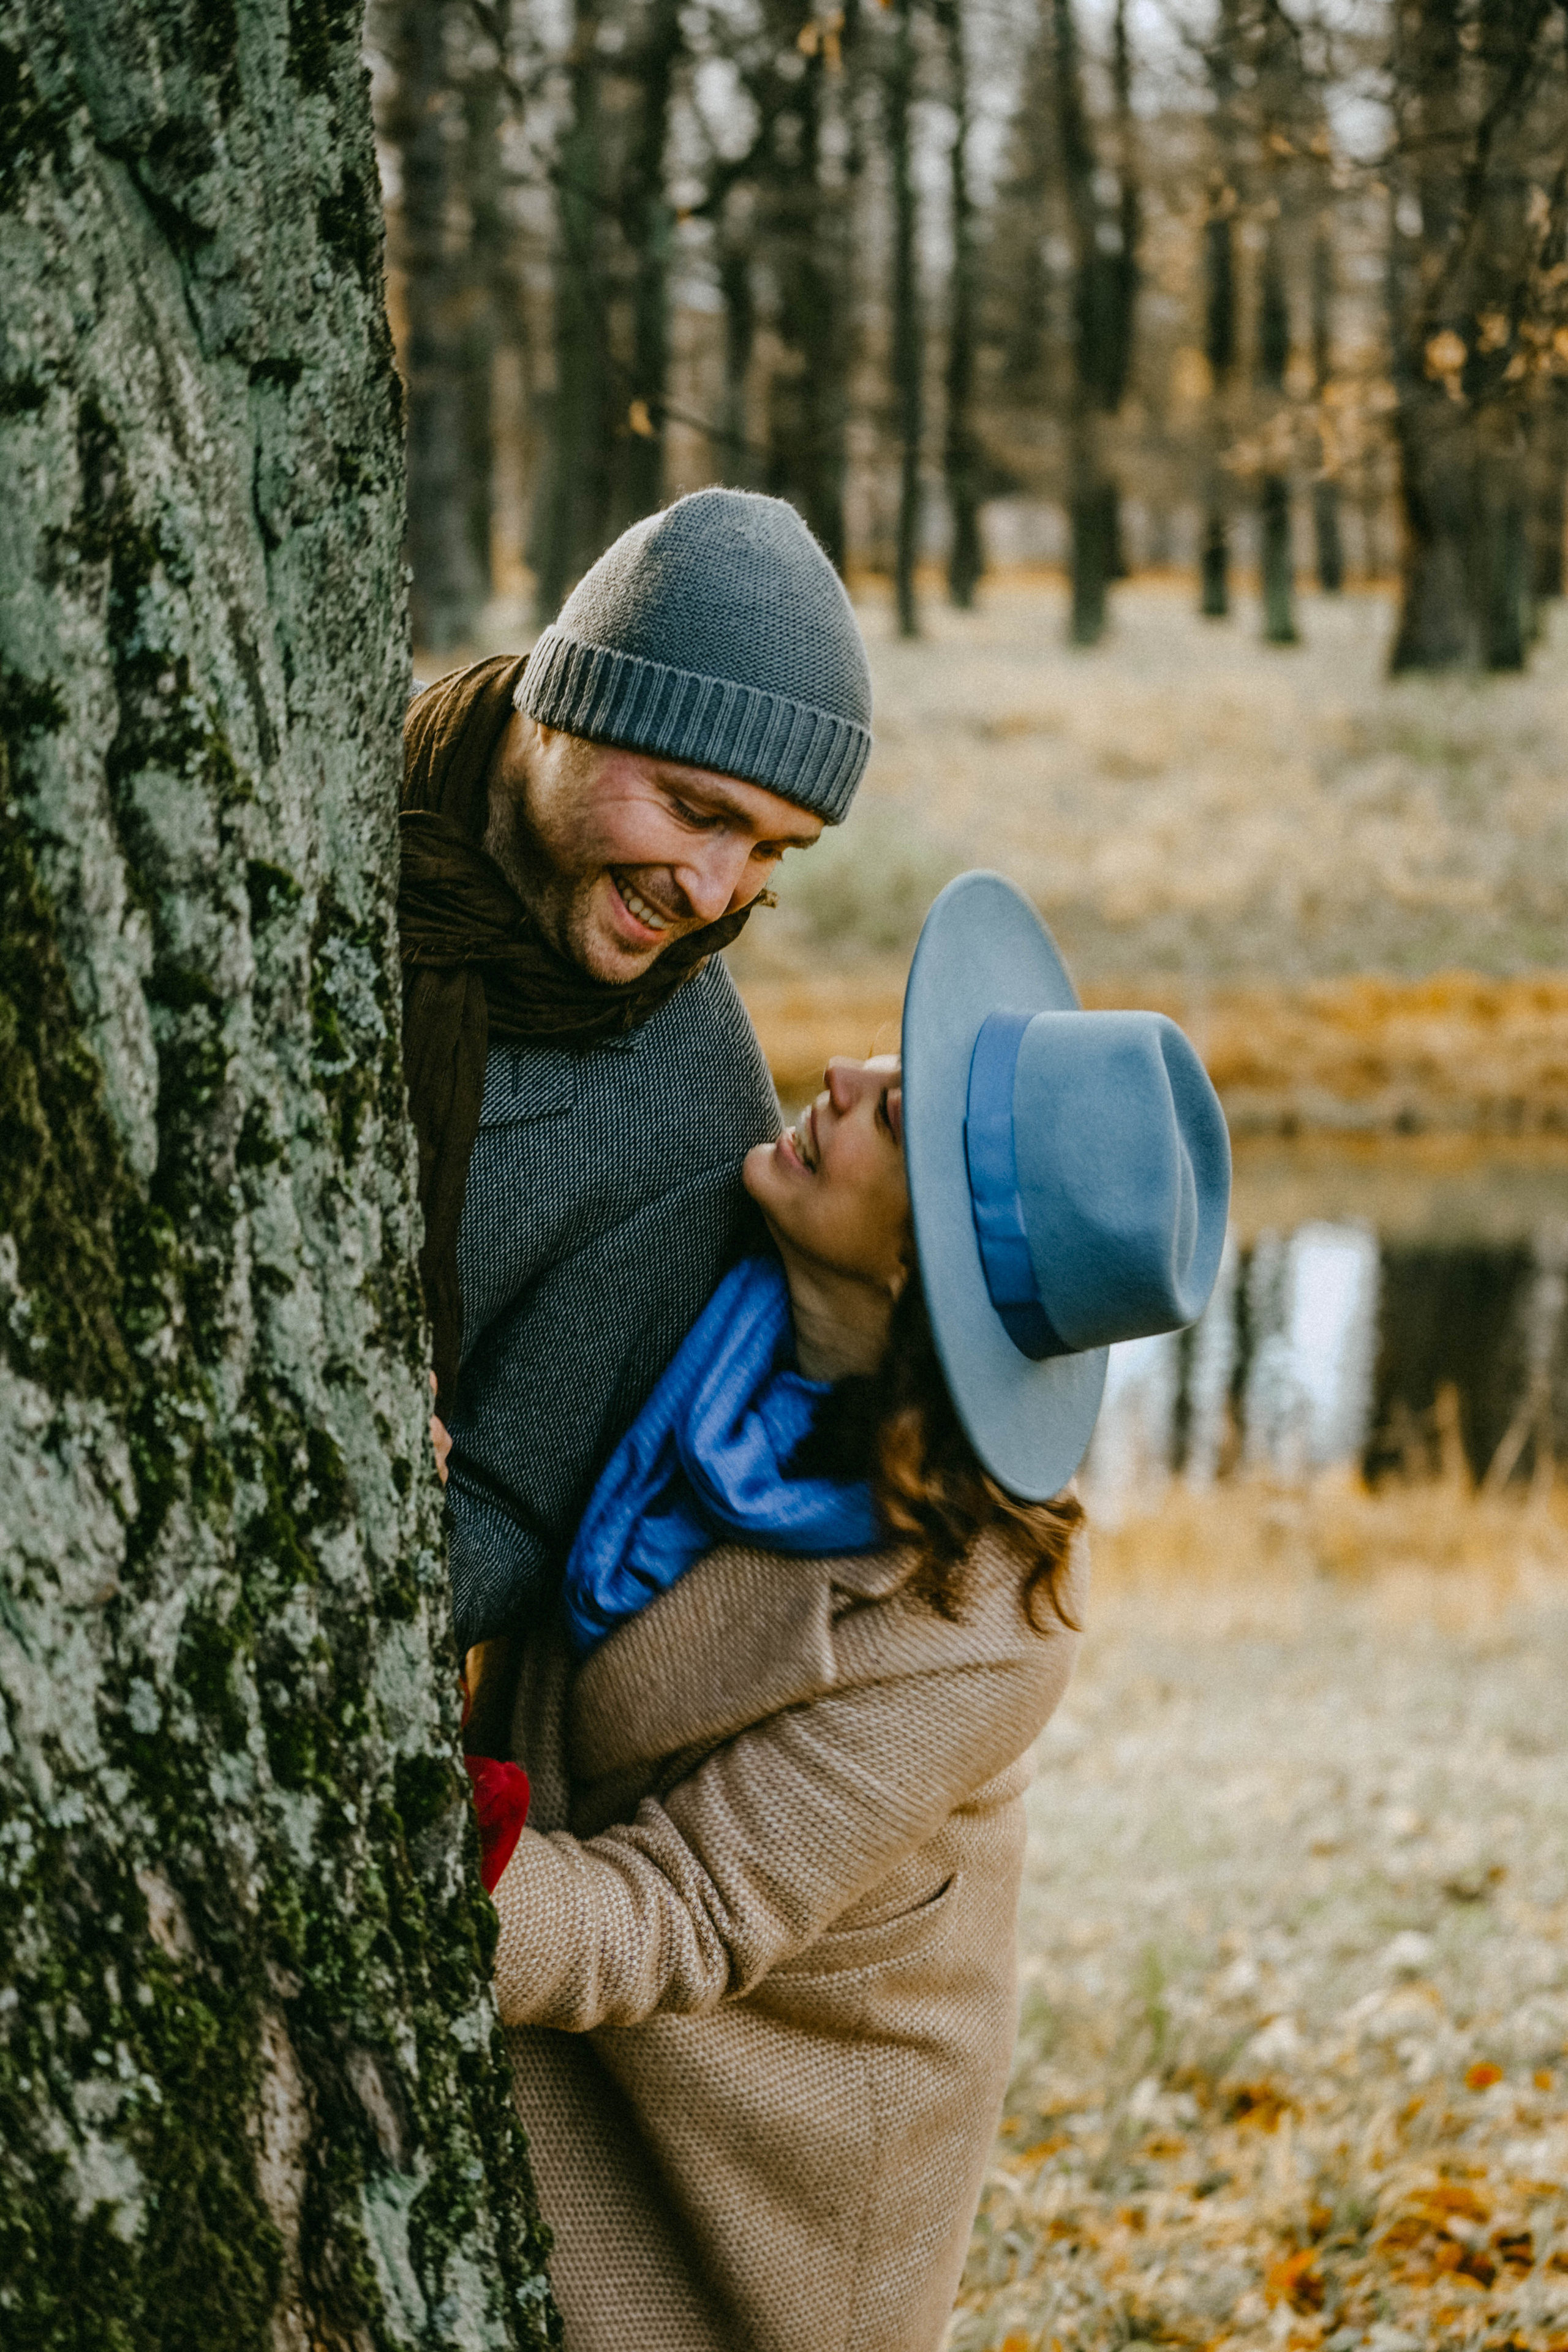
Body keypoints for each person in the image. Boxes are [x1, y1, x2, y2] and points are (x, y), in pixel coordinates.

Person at [486, 872, 1232, 2352]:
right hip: (561, 2010)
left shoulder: (977, 1629)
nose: (843, 1072)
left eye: (894, 1111)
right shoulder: (695, 1287)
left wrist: (411, 1866)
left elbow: (685, 1912)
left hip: (761, 2173)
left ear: (921, 1271)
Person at [399, 489, 873, 1742]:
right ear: (564, 712)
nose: (716, 892)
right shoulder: (298, 800)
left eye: (775, 849)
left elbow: (512, 1509)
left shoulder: (695, 1125)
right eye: (695, 811)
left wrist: (361, 1515)